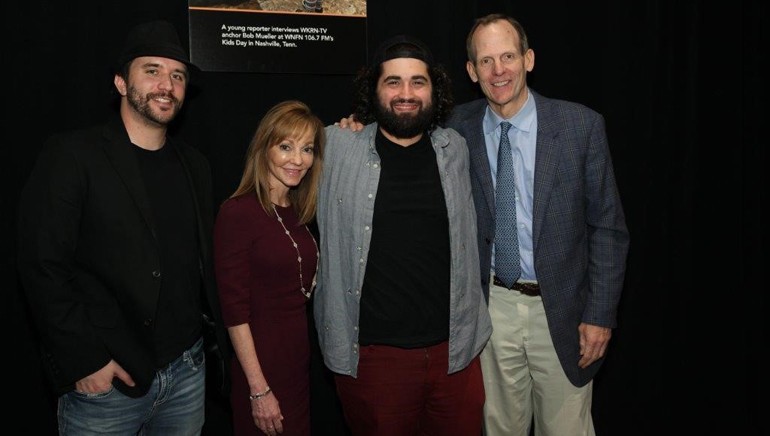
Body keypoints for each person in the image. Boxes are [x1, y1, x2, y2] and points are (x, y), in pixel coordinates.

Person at [16, 20, 230, 435]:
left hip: (187, 374)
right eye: (152, 70)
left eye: (178, 75)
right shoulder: (72, 155)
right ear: (120, 82)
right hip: (106, 385)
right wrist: (84, 361)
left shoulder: (196, 166)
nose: (166, 84)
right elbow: (41, 264)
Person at [444, 13, 630, 436]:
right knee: (498, 428)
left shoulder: (580, 126)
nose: (499, 70)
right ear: (472, 71)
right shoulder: (455, 129)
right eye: (486, 61)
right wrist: (356, 132)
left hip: (564, 310)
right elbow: (401, 130)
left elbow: (608, 229)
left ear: (528, 59)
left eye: (508, 56)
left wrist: (600, 314)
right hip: (492, 309)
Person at [314, 34, 492, 436]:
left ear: (435, 90)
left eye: (418, 81)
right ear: (373, 90)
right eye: (392, 82)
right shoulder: (335, 146)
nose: (405, 93)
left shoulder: (455, 149)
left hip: (456, 353)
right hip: (374, 360)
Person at [213, 100, 325, 436]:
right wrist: (258, 389)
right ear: (264, 148)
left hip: (297, 364)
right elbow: (234, 312)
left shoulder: (299, 212)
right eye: (286, 146)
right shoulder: (237, 213)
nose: (297, 159)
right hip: (260, 368)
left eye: (307, 149)